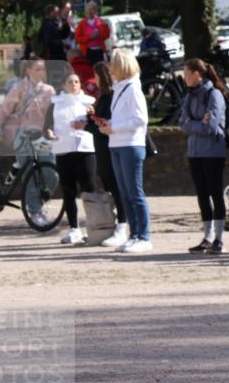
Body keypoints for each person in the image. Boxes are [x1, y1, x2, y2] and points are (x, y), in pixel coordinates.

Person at [98, 50, 151, 253]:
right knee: (125, 192)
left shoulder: (133, 89)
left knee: (135, 192)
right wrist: (109, 125)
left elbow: (140, 120)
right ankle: (134, 234)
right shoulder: (119, 88)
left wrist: (115, 127)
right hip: (117, 144)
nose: (110, 69)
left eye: (113, 64)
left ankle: (144, 236)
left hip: (131, 144)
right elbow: (123, 118)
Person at [0, 58, 55, 226]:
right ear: (28, 70)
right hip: (23, 134)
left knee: (50, 170)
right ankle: (34, 209)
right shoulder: (19, 88)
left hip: (41, 134)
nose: (42, 72)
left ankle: (40, 201)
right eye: (38, 69)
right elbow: (4, 109)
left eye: (43, 69)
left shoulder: (49, 90)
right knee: (29, 173)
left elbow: (54, 114)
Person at [179, 58, 228, 255]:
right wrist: (197, 122)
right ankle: (207, 237)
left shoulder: (214, 95)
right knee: (202, 195)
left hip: (213, 152)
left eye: (186, 73)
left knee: (215, 193)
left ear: (197, 74)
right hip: (195, 152)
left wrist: (194, 123)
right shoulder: (190, 96)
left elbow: (212, 126)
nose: (184, 78)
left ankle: (218, 238)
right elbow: (182, 123)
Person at [44, 72, 96, 244]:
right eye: (70, 82)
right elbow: (47, 126)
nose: (74, 84)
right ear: (64, 86)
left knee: (88, 189)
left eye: (77, 81)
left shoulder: (89, 102)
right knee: (68, 190)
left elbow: (96, 122)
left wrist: (90, 118)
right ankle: (74, 229)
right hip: (63, 150)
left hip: (85, 150)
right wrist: (49, 132)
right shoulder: (55, 104)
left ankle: (93, 227)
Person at [85, 62, 128, 247]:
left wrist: (91, 121)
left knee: (118, 188)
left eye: (96, 75)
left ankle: (122, 226)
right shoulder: (103, 96)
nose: (94, 79)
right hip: (102, 147)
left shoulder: (111, 96)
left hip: (109, 146)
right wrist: (92, 117)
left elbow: (109, 122)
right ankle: (116, 224)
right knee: (111, 186)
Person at [74, 1, 110, 65]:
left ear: (95, 11)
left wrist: (105, 26)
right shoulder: (82, 23)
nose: (90, 11)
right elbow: (78, 39)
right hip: (87, 52)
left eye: (92, 9)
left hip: (99, 50)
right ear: (86, 11)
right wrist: (90, 37)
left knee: (100, 69)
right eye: (88, 9)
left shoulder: (101, 22)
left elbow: (106, 36)